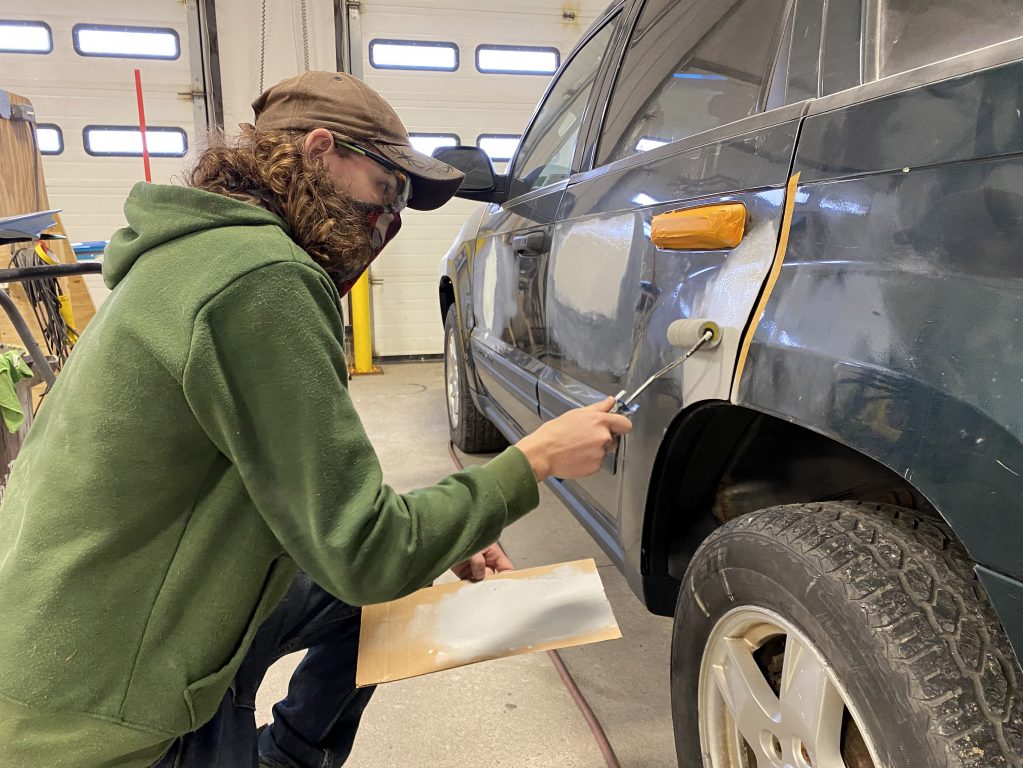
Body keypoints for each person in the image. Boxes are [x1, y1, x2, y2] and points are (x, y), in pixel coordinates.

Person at [0, 71, 632, 768]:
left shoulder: (196, 251)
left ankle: (289, 755)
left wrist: (441, 530)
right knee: (379, 573)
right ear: (320, 150)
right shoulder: (260, 278)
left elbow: (315, 502)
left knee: (379, 591)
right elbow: (364, 551)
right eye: (385, 192)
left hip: (79, 624)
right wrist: (532, 461)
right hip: (105, 708)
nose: (385, 224)